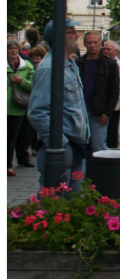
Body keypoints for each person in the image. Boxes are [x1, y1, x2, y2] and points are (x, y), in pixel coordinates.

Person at [28, 19, 89, 190]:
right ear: (59, 37)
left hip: (75, 145)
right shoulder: (49, 69)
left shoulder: (69, 64)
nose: (77, 35)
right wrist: (60, 143)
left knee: (74, 201)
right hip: (62, 147)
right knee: (54, 204)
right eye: (72, 32)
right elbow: (37, 112)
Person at [76, 31, 120, 153]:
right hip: (80, 112)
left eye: (95, 42)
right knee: (80, 148)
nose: (92, 45)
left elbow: (114, 90)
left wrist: (108, 112)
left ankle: (100, 172)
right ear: (85, 44)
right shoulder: (79, 63)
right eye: (89, 43)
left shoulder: (110, 64)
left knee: (98, 147)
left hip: (99, 113)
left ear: (100, 43)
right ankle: (82, 172)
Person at [7, 40, 35, 176]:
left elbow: (33, 85)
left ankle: (8, 165)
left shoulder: (27, 66)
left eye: (15, 48)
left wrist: (21, 82)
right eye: (9, 48)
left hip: (18, 107)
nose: (12, 51)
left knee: (12, 137)